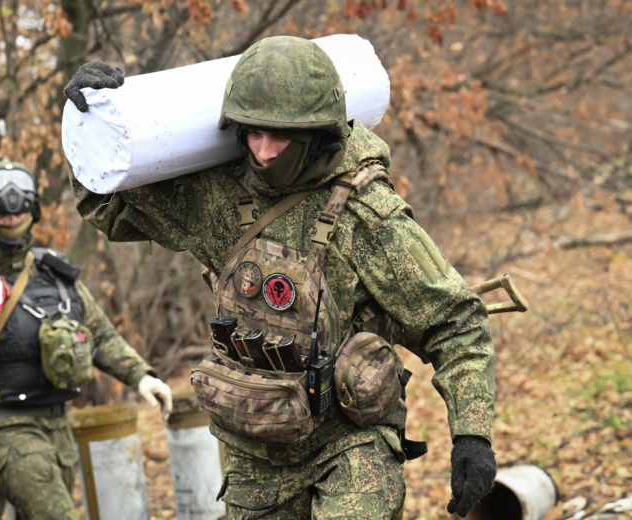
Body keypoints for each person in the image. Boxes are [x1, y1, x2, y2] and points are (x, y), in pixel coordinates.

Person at [63, 36, 496, 519]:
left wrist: (472, 435)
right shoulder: (218, 198)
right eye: (252, 133)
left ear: (317, 135)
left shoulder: (367, 214)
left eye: (280, 137)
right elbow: (108, 208)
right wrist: (93, 122)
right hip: (256, 449)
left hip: (351, 442)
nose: (264, 152)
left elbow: (454, 321)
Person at [0, 161, 173, 520]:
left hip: (58, 427)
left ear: (33, 211)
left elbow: (99, 334)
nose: (11, 216)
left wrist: (141, 376)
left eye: (19, 208)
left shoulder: (54, 275)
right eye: (0, 209)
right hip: (4, 428)